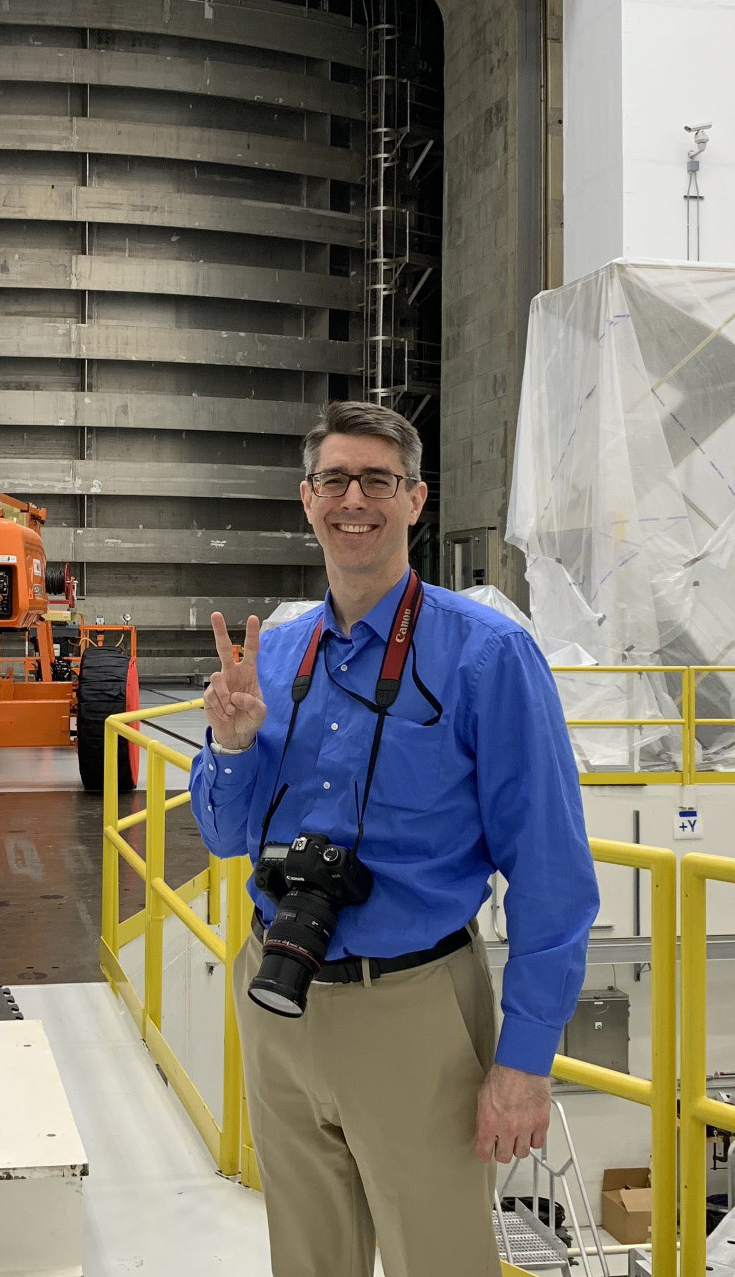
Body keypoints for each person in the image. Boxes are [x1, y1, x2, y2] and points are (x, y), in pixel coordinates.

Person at [188, 399, 600, 1277]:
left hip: (414, 1009)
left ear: (416, 500)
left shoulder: (488, 655)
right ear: (307, 499)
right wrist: (226, 745)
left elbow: (552, 873)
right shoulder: (275, 653)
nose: (355, 499)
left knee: (438, 1262)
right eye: (335, 478)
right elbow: (225, 839)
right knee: (308, 1259)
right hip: (278, 994)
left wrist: (524, 1062)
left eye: (380, 480)